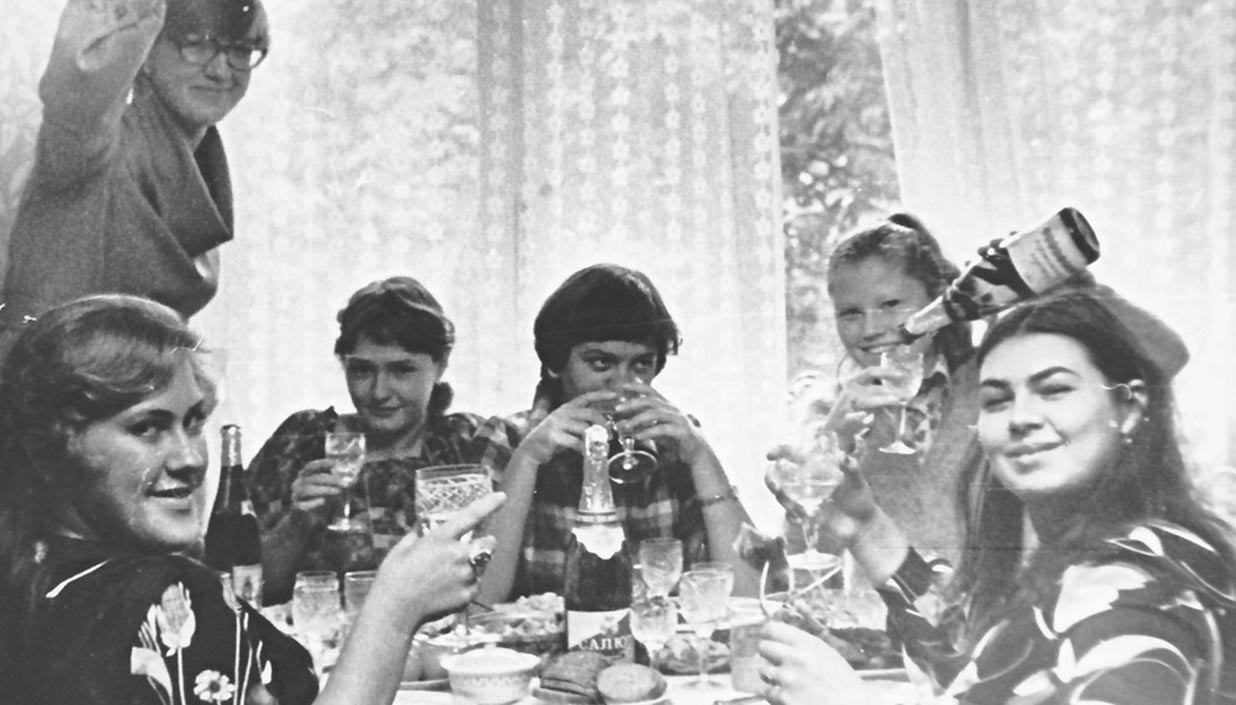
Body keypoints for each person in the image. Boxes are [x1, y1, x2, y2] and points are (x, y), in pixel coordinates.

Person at [0, 0, 269, 566]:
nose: (221, 66)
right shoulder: (99, 137)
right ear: (147, 51)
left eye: (241, 49)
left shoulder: (198, 150)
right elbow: (83, 71)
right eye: (198, 42)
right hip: (30, 420)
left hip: (116, 427)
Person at [0, 294, 504, 705]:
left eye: (193, 422)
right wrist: (393, 609)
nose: (190, 458)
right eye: (148, 428)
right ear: (58, 445)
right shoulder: (169, 599)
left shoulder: (10, 565)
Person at [757, 286, 1236, 705]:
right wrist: (863, 524)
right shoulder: (1121, 551)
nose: (1020, 417)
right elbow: (992, 670)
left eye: (1054, 390)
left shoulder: (1130, 597)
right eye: (997, 399)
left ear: (1128, 408)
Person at [471, 263, 757, 602]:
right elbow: (478, 602)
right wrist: (529, 459)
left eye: (640, 365)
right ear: (555, 362)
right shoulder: (508, 439)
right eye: (601, 363)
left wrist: (701, 458)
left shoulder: (674, 444)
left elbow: (748, 599)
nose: (622, 383)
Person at [247, 277, 485, 601]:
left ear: (440, 366)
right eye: (362, 371)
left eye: (402, 370)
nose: (379, 392)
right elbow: (241, 589)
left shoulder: (466, 445)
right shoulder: (302, 441)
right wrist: (298, 522)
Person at [769, 213, 978, 564]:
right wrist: (832, 445)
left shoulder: (992, 386)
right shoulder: (821, 409)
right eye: (850, 313)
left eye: (890, 305)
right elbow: (805, 557)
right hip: (877, 611)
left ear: (936, 299)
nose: (870, 330)